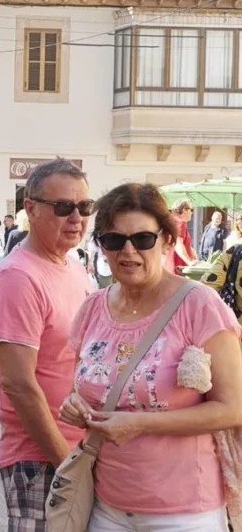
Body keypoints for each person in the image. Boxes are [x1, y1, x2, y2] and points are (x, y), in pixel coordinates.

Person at [59, 182, 242, 531]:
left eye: (142, 239)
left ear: (167, 241)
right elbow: (80, 388)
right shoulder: (93, 308)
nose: (128, 251)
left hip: (185, 513)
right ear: (101, 245)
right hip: (105, 507)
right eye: (114, 240)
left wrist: (141, 424)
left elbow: (233, 408)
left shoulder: (200, 306)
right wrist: (73, 405)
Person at [0, 158, 93, 532]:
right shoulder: (18, 277)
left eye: (84, 207)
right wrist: (67, 467)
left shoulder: (73, 265)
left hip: (77, 452)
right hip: (41, 459)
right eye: (63, 207)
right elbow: (18, 384)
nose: (76, 217)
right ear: (30, 208)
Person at [164, 199, 197, 274]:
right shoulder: (180, 222)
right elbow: (178, 244)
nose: (192, 213)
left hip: (166, 266)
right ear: (184, 210)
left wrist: (192, 252)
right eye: (191, 210)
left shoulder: (170, 221)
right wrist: (189, 262)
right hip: (176, 268)